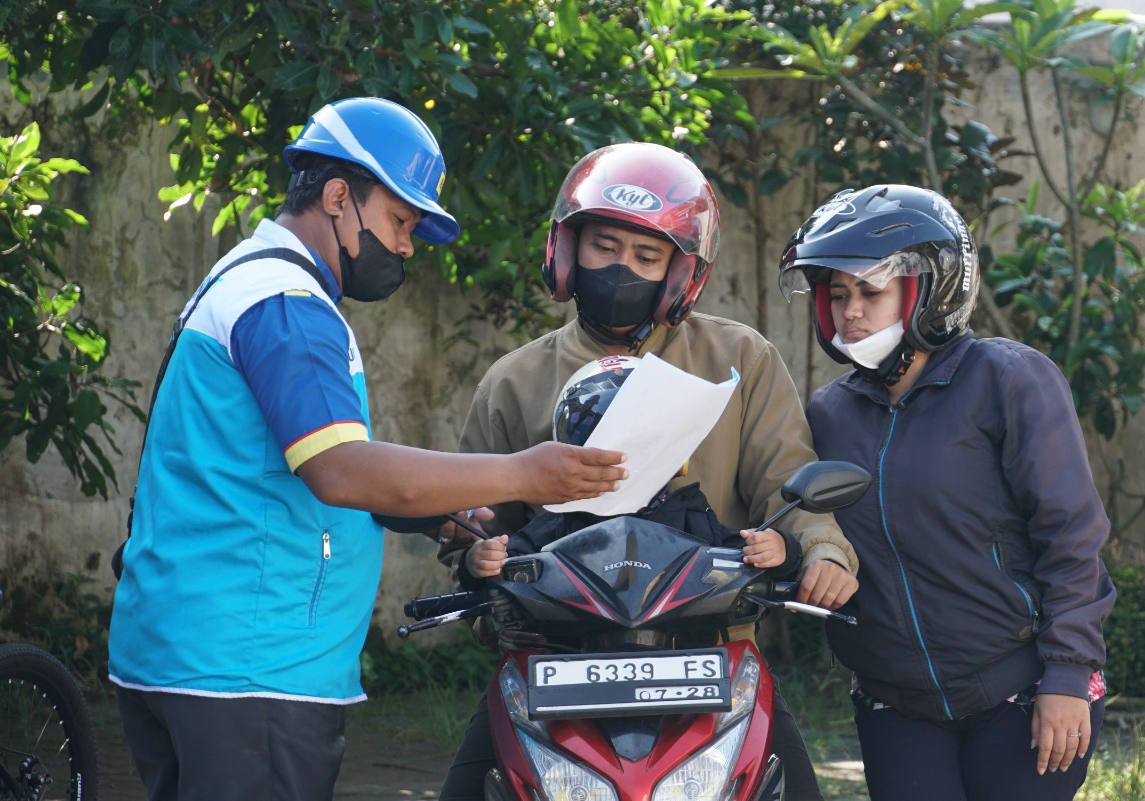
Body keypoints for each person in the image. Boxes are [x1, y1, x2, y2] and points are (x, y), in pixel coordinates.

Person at [107, 97, 628, 801]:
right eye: (400, 220)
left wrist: (429, 513)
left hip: (187, 651)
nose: (407, 246)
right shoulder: (286, 304)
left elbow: (270, 468)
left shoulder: (246, 280)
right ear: (337, 197)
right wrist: (524, 470)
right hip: (249, 669)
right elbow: (342, 469)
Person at [437, 141, 857, 800]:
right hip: (555, 658)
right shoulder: (513, 382)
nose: (620, 267)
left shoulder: (738, 358)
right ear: (568, 249)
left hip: (711, 651)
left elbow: (791, 479)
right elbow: (475, 520)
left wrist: (823, 551)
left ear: (679, 271)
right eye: (605, 246)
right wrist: (475, 553)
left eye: (645, 254)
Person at [778, 184, 1116, 801]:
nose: (851, 311)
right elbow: (809, 528)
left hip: (1022, 690)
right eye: (838, 294)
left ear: (933, 288)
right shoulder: (828, 414)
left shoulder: (1008, 379)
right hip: (895, 703)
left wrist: (1068, 675)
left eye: (870, 292)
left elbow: (1072, 535)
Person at [457, 354, 800, 588]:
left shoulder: (687, 511)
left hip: (684, 652)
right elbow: (507, 563)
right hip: (574, 653)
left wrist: (779, 550)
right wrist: (479, 563)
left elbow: (741, 554)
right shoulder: (561, 519)